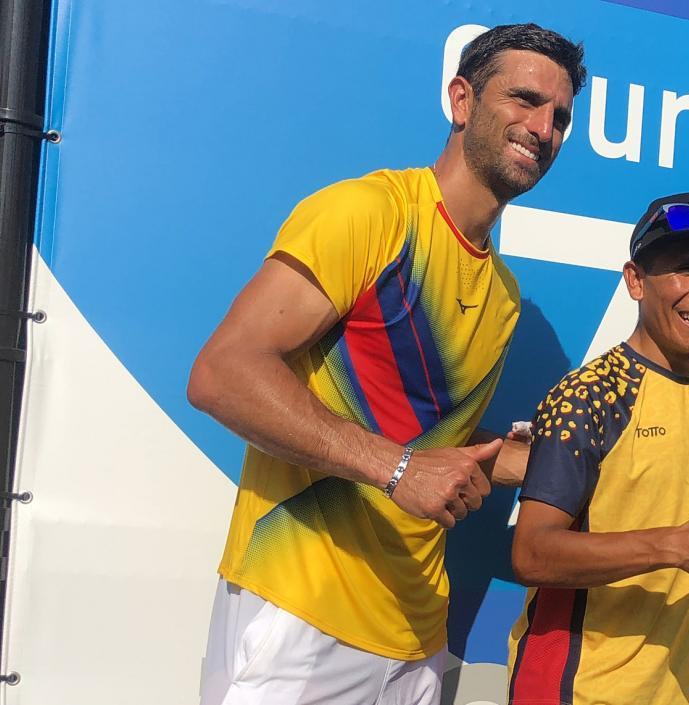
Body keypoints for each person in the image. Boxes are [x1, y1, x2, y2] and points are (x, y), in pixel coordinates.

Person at [186, 23, 586, 705]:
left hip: (419, 641)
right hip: (303, 617)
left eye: (560, 116)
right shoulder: (370, 212)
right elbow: (222, 373)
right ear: (462, 100)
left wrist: (505, 464)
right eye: (523, 99)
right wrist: (398, 467)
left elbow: (429, 456)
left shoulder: (504, 294)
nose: (543, 127)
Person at [506, 193, 689, 705]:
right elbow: (532, 554)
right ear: (635, 281)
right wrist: (676, 545)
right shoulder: (589, 393)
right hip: (571, 689)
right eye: (685, 269)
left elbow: (680, 497)